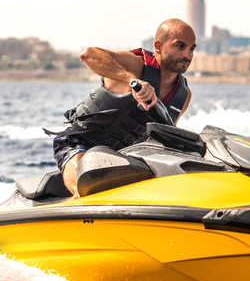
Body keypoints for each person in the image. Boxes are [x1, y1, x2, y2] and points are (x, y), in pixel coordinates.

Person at [49, 18, 197, 197]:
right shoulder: (136, 66)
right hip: (79, 145)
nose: (187, 55)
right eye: (180, 46)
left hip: (120, 161)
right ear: (158, 46)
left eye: (192, 48)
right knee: (84, 187)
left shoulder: (183, 96)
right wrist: (132, 82)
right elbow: (88, 54)